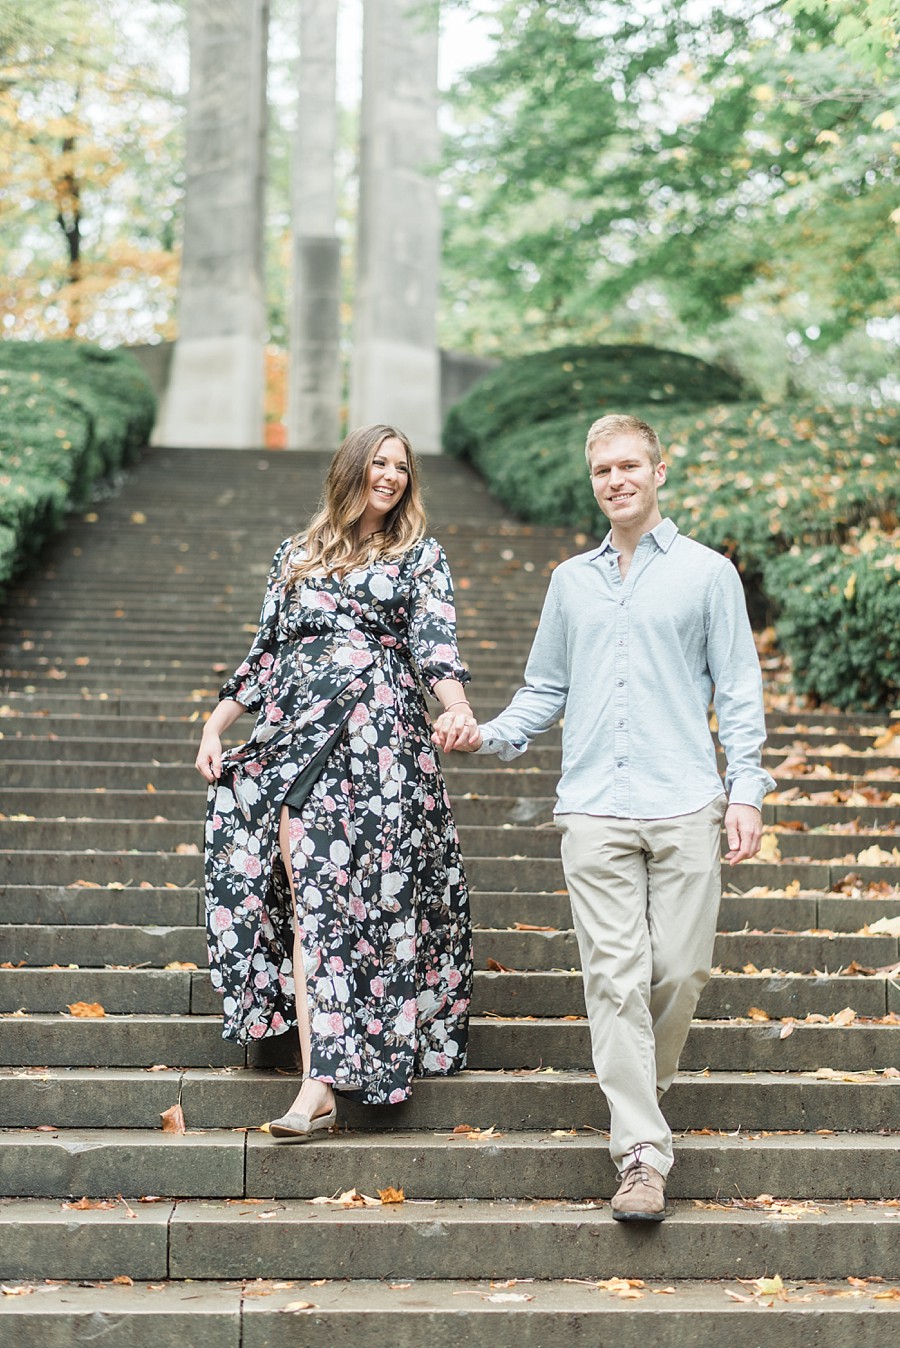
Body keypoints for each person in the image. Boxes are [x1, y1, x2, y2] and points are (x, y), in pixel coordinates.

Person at [434, 413, 775, 1220]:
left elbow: (739, 690)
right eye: (602, 471)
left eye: (630, 466)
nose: (616, 480)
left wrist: (748, 789)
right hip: (593, 808)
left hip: (687, 798)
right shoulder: (570, 582)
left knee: (681, 972)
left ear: (660, 470)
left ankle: (634, 1103)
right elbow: (546, 688)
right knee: (614, 980)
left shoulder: (706, 574)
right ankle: (642, 1155)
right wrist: (488, 734)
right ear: (593, 482)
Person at [196, 424, 476, 1140]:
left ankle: (324, 1079)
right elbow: (265, 654)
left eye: (401, 468)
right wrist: (215, 724)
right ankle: (318, 1079)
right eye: (378, 463)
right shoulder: (296, 554)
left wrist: (460, 710)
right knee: (307, 885)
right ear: (351, 469)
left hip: (380, 740)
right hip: (294, 738)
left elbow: (435, 644)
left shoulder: (419, 554)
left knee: (358, 894)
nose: (390, 476)